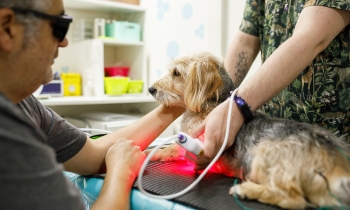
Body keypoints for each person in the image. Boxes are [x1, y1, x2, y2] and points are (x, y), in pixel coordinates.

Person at [0, 0, 183, 209]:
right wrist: (120, 171)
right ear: (7, 28)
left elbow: (93, 154)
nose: (65, 42)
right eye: (60, 27)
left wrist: (176, 105)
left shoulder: (25, 105)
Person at [191, 0, 350, 170]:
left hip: (330, 146)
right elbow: (246, 41)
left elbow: (311, 38)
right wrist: (220, 102)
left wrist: (237, 107)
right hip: (273, 140)